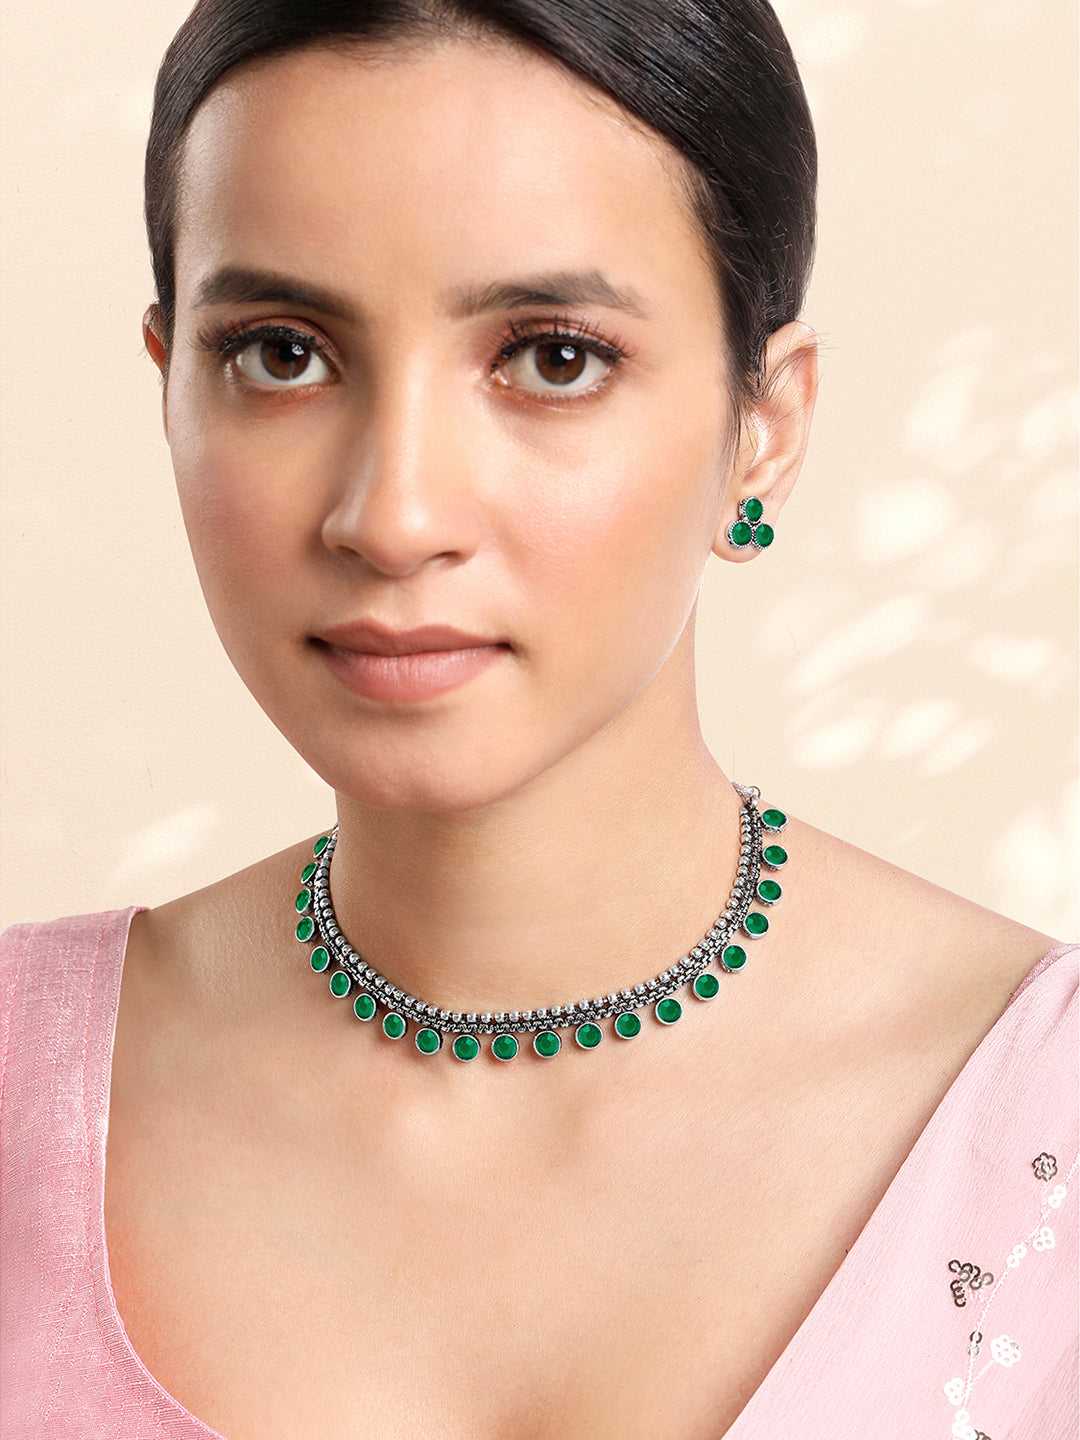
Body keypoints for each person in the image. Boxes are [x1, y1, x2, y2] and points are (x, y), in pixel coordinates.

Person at [1, 2, 1075, 1436]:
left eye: (554, 359)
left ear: (765, 424)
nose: (394, 515)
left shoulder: (1048, 1121)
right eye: (281, 353)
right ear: (170, 389)